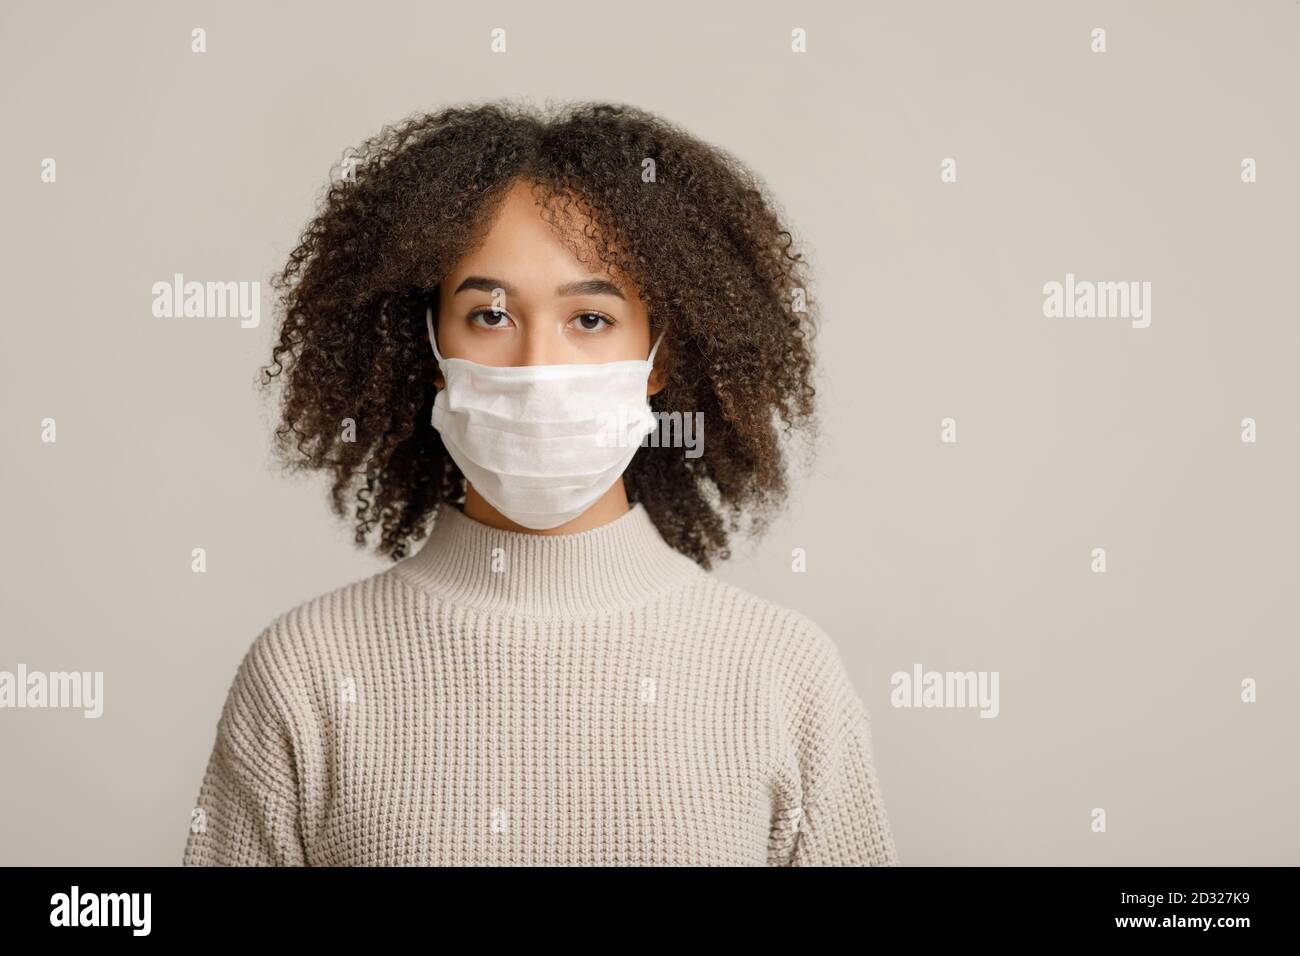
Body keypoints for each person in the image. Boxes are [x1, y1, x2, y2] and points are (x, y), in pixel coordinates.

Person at [181, 101, 900, 866]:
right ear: (429, 346)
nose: (538, 369)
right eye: (490, 316)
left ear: (657, 356)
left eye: (589, 319)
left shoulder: (785, 677)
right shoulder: (305, 674)